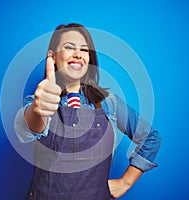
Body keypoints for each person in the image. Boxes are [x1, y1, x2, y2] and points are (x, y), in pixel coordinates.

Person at [14, 23, 161, 200]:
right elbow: (25, 130)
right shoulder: (39, 102)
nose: (78, 54)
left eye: (84, 50)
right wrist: (39, 110)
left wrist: (125, 182)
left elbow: (150, 137)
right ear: (52, 56)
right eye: (69, 47)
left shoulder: (109, 103)